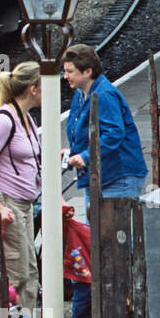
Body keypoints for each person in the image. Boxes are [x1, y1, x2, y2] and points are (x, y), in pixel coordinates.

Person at [0, 62, 42, 313]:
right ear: (33, 89)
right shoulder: (4, 120)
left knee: (29, 274)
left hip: (23, 205)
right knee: (14, 275)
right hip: (7, 205)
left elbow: (34, 159)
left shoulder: (27, 119)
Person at [64, 44, 147, 208]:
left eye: (70, 71)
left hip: (118, 176)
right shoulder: (81, 93)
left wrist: (86, 156)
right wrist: (73, 152)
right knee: (97, 230)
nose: (65, 76)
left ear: (87, 72)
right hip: (98, 175)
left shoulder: (104, 95)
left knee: (112, 230)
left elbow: (114, 133)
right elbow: (84, 131)